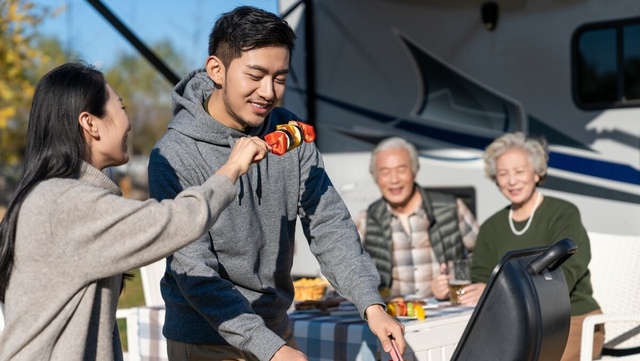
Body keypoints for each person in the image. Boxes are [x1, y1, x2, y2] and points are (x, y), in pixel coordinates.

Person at [147, 6, 405, 361]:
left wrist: (371, 304)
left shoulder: (291, 134)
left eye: (280, 77)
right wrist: (271, 350)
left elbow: (329, 225)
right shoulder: (174, 154)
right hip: (206, 338)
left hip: (276, 330)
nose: (268, 91)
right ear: (216, 70)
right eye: (255, 75)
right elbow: (193, 270)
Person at [0, 62, 269, 361]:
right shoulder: (63, 203)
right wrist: (231, 169)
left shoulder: (53, 196)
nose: (128, 123)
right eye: (121, 108)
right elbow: (174, 222)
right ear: (90, 123)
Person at [467, 132, 603, 361]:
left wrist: (510, 295)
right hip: (514, 325)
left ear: (537, 172)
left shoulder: (563, 213)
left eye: (519, 171)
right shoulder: (491, 226)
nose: (511, 181)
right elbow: (480, 277)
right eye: (503, 174)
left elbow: (568, 271)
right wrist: (467, 291)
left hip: (571, 319)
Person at [354, 137, 478, 300]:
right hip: (394, 317)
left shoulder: (451, 208)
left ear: (415, 171)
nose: (394, 179)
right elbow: (343, 266)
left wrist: (454, 280)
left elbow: (482, 257)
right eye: (385, 171)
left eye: (401, 169)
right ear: (375, 178)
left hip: (447, 313)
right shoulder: (366, 220)